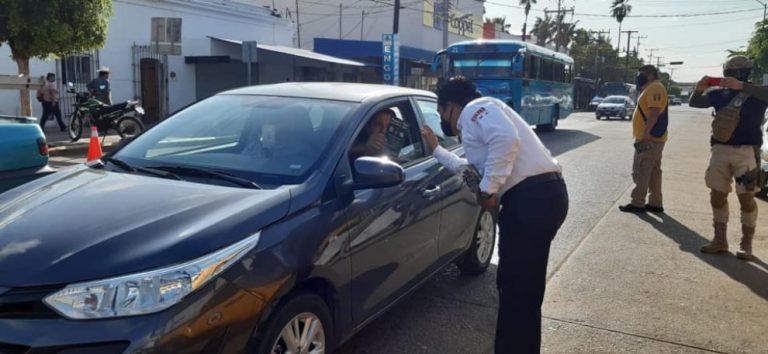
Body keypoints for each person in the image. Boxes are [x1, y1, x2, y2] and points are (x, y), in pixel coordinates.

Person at [420, 77, 568, 353]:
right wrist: (437, 151)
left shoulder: (477, 108)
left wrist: (488, 189)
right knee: (518, 287)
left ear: (450, 106)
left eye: (442, 114)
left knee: (518, 292)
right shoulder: (481, 117)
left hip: (531, 201)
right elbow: (471, 170)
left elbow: (505, 139)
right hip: (540, 199)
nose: (444, 122)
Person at [689, 55, 768, 260]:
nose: (729, 76)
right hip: (720, 150)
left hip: (746, 152)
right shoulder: (720, 93)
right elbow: (696, 103)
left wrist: (741, 86)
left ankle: (746, 244)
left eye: (734, 73)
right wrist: (699, 88)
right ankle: (720, 240)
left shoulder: (756, 93)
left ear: (742, 73)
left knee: (746, 198)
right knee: (717, 195)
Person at [618, 65, 669, 213]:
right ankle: (655, 203)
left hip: (649, 138)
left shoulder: (655, 88)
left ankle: (637, 202)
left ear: (651, 75)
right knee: (653, 171)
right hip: (651, 138)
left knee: (641, 169)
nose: (639, 76)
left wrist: (646, 133)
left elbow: (654, 112)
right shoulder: (651, 88)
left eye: (642, 73)